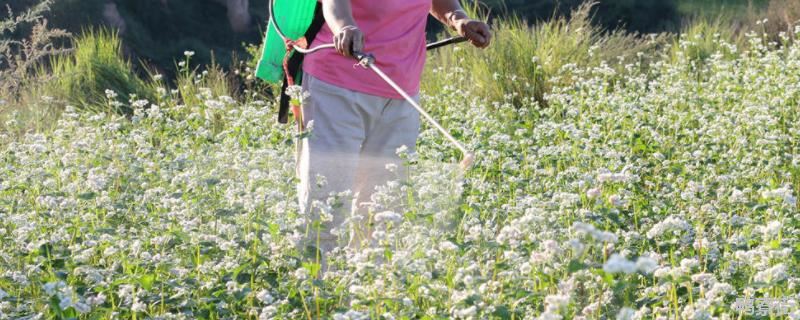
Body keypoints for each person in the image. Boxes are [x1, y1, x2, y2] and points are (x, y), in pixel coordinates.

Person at [295, 0, 491, 270]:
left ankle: (367, 295)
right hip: (337, 85)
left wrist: (458, 19)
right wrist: (344, 26)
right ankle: (317, 297)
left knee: (382, 209)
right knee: (328, 201)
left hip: (401, 90)